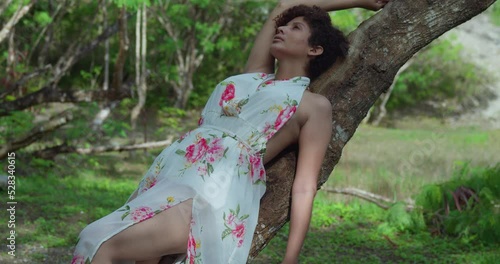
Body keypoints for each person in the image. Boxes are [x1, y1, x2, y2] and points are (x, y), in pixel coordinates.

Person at [71, 0, 389, 263]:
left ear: (315, 49)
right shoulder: (253, 77)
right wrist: (363, 1)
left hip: (213, 192)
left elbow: (305, 186)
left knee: (100, 242)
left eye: (296, 28)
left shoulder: (313, 106)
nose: (281, 27)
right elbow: (283, 6)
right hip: (171, 178)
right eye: (284, 25)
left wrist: (290, 259)